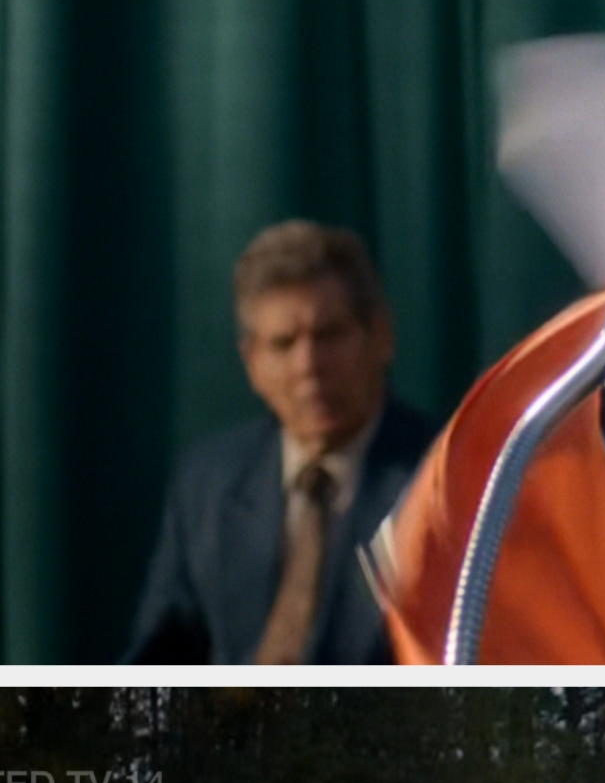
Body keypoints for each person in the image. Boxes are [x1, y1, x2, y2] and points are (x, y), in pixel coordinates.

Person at [129, 220, 436, 663]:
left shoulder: (443, 479)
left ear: (381, 336)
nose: (309, 366)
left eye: (329, 335)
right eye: (283, 344)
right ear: (252, 363)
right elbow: (158, 658)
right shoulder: (208, 483)